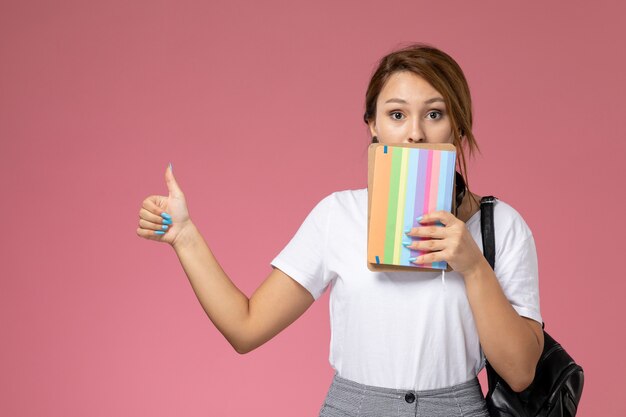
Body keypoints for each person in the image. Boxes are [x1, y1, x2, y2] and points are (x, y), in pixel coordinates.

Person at [136, 43, 544, 417]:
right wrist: (184, 236)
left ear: (458, 125)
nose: (415, 132)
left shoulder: (501, 226)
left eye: (434, 113)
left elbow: (521, 372)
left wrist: (473, 266)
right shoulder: (338, 215)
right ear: (373, 125)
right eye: (397, 114)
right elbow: (245, 327)